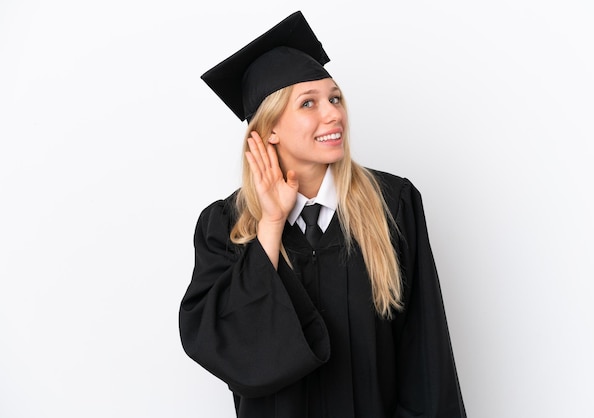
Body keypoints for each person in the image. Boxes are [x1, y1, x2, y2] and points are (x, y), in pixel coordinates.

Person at [179, 11, 466, 418]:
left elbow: (425, 355)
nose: (333, 114)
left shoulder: (393, 205)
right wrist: (272, 225)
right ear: (270, 129)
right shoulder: (226, 227)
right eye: (308, 104)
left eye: (334, 98)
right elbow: (231, 350)